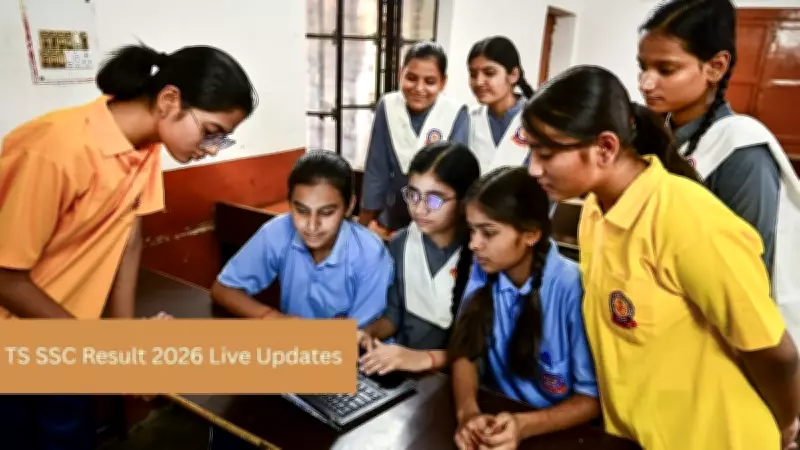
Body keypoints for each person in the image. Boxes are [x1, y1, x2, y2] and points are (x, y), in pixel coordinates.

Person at [524, 64, 800, 450]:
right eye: (530, 150)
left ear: (605, 148)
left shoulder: (688, 219)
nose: (533, 168)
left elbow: (772, 351)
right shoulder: (595, 212)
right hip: (638, 435)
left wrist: (786, 424)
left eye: (546, 153)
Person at [0, 41, 256, 449]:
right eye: (211, 133)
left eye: (221, 141)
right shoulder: (53, 148)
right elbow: (6, 278)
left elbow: (128, 236)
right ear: (169, 100)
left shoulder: (146, 149)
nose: (210, 149)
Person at [638, 0, 800, 343]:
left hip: (720, 334)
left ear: (715, 67)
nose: (646, 83)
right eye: (643, 67)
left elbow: (748, 272)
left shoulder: (741, 148)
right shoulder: (662, 137)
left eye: (666, 70)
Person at [448, 166, 599, 450]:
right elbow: (466, 352)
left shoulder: (572, 287)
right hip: (497, 416)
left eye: (488, 233)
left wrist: (523, 425)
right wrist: (467, 413)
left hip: (555, 430)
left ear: (530, 235)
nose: (474, 244)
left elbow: (590, 399)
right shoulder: (484, 266)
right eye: (472, 230)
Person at [211, 150, 393, 325]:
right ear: (290, 203)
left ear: (349, 206)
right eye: (302, 211)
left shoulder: (370, 254)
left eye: (326, 212)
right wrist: (271, 317)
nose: (312, 226)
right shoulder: (279, 230)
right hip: (296, 342)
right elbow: (223, 289)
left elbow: (362, 334)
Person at [357, 141, 480, 376]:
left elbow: (479, 351)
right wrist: (368, 332)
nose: (420, 209)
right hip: (402, 367)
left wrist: (421, 358)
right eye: (413, 195)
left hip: (455, 377)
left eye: (434, 199)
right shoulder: (401, 243)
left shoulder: (481, 254)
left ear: (464, 201)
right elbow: (393, 316)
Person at [358, 41, 469, 240]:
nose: (419, 88)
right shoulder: (388, 106)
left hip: (435, 219)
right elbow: (377, 168)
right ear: (401, 74)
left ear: (443, 82)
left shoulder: (455, 113)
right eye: (411, 78)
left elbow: (455, 179)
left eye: (430, 81)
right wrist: (363, 225)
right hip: (392, 215)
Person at [467, 36, 535, 174]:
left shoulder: (536, 119)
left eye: (489, 73)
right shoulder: (469, 117)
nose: (479, 82)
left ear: (513, 75)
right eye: (473, 74)